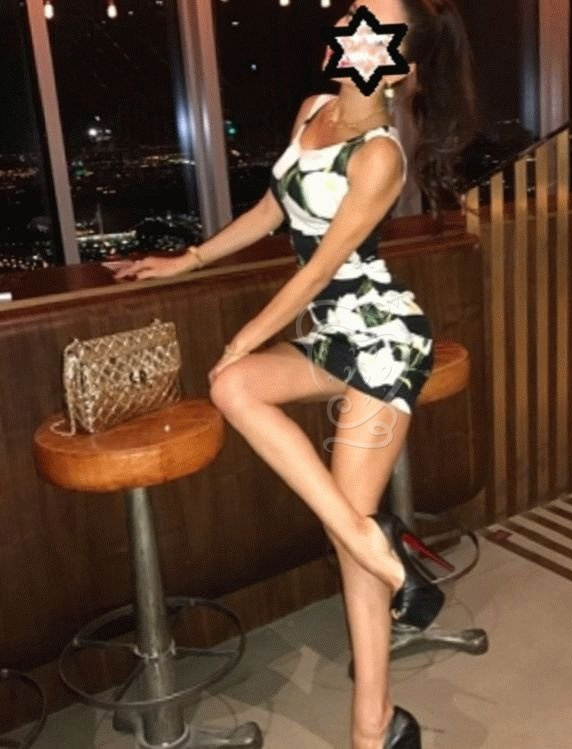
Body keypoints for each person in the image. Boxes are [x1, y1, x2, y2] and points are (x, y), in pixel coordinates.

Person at [109, 2, 475, 746]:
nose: (354, 23)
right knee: (234, 387)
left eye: (375, 23)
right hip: (332, 335)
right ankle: (382, 546)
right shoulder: (313, 111)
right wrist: (188, 259)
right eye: (354, 10)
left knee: (349, 540)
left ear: (399, 65)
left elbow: (320, 271)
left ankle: (373, 727)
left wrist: (247, 332)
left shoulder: (380, 155)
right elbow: (272, 210)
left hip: (382, 338)